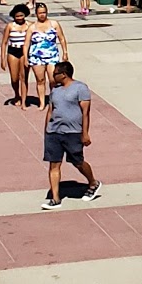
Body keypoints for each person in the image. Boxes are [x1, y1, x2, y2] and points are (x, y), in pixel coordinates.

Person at [41, 60, 101, 209]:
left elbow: (85, 113)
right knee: (54, 164)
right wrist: (46, 130)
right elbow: (50, 111)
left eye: (55, 74)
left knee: (78, 161)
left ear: (64, 74)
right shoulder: (55, 90)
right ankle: (55, 199)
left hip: (73, 132)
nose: (53, 76)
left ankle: (93, 182)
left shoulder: (80, 88)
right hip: (54, 132)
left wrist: (85, 133)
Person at [26, 2, 66, 108]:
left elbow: (61, 38)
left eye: (44, 12)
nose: (42, 15)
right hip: (36, 57)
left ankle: (53, 100)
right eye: (40, 13)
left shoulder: (54, 24)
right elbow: (26, 44)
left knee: (53, 79)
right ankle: (42, 102)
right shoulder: (32, 27)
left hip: (52, 55)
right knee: (40, 80)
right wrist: (26, 58)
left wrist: (65, 52)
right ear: (36, 14)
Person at [1, 3, 31, 107]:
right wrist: (2, 58)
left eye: (21, 15)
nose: (19, 18)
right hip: (13, 51)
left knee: (24, 77)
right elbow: (4, 42)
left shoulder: (29, 25)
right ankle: (16, 94)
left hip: (24, 52)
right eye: (17, 16)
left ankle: (24, 99)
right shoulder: (10, 26)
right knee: (14, 78)